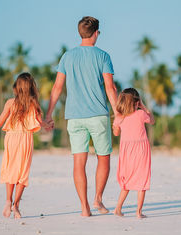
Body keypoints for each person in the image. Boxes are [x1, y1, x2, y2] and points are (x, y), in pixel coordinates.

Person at [44, 16, 118, 217]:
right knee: (103, 158)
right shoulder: (103, 56)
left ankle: (85, 207)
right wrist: (118, 114)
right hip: (98, 115)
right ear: (96, 33)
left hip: (74, 117)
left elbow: (57, 87)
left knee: (79, 162)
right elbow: (110, 88)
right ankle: (98, 199)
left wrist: (48, 114)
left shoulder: (67, 56)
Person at [0, 72, 43, 219]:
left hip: (11, 139)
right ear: (31, 87)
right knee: (23, 173)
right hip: (26, 140)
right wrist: (49, 124)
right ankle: (16, 206)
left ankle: (8, 201)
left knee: (11, 170)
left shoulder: (10, 102)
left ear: (17, 87)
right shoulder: (34, 103)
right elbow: (41, 122)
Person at [112, 88, 155, 219]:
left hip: (126, 152)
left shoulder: (119, 117)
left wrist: (115, 125)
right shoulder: (141, 114)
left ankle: (118, 208)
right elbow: (152, 120)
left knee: (127, 181)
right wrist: (143, 106)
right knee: (142, 181)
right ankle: (138, 212)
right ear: (137, 102)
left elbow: (116, 133)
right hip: (141, 151)